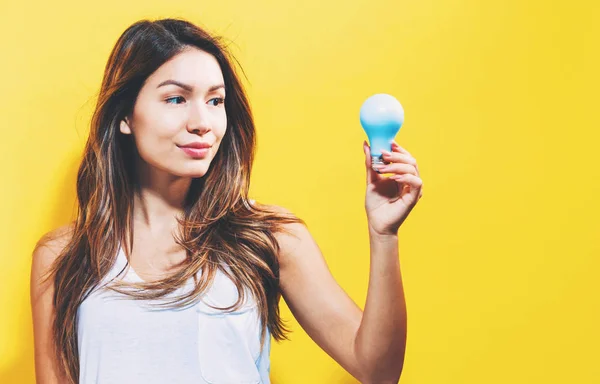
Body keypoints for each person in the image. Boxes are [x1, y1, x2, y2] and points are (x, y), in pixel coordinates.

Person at [30, 18, 423, 384]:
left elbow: (378, 369)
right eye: (176, 99)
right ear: (126, 116)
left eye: (216, 101)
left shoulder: (268, 237)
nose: (202, 122)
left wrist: (384, 235)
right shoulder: (62, 255)